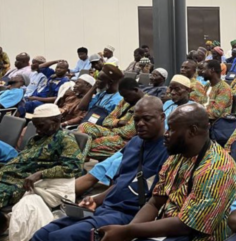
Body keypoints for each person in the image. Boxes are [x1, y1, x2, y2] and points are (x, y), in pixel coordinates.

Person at [96, 103, 236, 241]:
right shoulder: (178, 155)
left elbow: (186, 226)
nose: (166, 134)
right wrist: (127, 233)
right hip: (168, 230)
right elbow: (155, 202)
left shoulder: (216, 169)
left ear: (192, 131)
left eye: (171, 129)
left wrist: (128, 231)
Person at [32, 97, 170, 241]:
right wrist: (95, 200)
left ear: (162, 117)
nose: (140, 124)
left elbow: (156, 202)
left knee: (61, 237)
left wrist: (130, 231)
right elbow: (120, 184)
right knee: (43, 233)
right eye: (136, 119)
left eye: (147, 119)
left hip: (128, 216)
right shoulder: (134, 143)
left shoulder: (169, 151)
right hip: (104, 209)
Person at [0, 104, 82, 211]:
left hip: (18, 184)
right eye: (36, 127)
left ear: (56, 121)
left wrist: (40, 174)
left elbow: (73, 167)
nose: (37, 131)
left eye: (41, 126)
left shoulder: (65, 139)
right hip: (6, 176)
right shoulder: (36, 139)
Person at [77, 77, 144, 160]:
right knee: (84, 126)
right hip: (112, 132)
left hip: (127, 140)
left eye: (127, 96)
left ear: (135, 90)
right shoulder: (125, 100)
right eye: (123, 97)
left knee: (89, 144)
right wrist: (118, 122)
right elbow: (106, 121)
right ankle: (79, 158)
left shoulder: (144, 105)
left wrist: (112, 126)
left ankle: (77, 162)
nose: (125, 99)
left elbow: (128, 132)